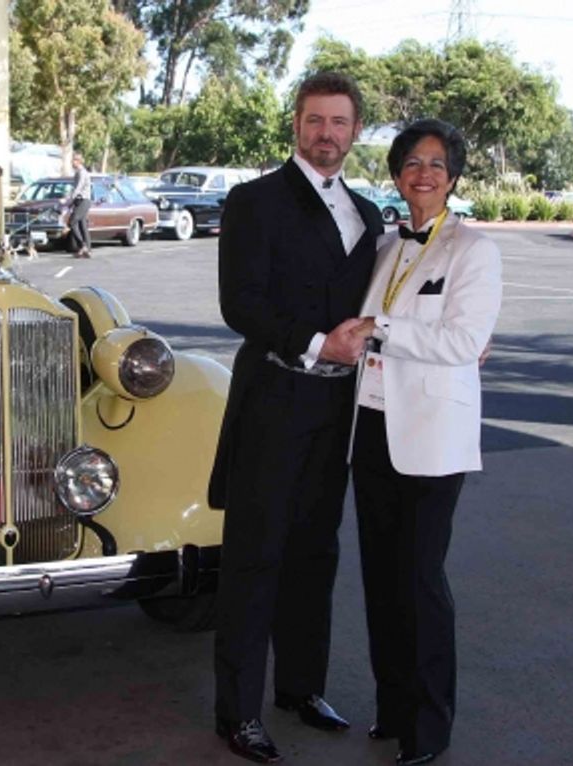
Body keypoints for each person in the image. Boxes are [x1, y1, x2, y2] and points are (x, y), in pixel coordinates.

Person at [208, 71, 385, 764]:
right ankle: (238, 713)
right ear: (296, 125)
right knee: (256, 559)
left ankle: (301, 689)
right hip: (274, 402)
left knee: (317, 552)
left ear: (355, 131)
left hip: (339, 409)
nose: (326, 134)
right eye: (315, 121)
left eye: (339, 123)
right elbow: (239, 304)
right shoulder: (254, 202)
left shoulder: (369, 215)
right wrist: (317, 343)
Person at [350, 119, 502, 766]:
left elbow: (465, 343)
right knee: (381, 579)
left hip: (432, 437)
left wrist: (381, 327)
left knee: (420, 579)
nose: (424, 172)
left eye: (437, 164)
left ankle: (430, 728)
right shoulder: (384, 246)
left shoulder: (473, 250)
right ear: (396, 173)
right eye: (412, 161)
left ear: (453, 177)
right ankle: (392, 710)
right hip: (372, 427)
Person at [64, 152, 92, 258]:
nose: (72, 162)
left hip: (84, 200)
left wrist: (68, 200)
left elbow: (78, 188)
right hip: (79, 201)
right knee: (82, 224)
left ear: (78, 161)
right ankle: (87, 249)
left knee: (72, 222)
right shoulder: (78, 173)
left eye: (74, 160)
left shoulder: (82, 173)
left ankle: (82, 245)